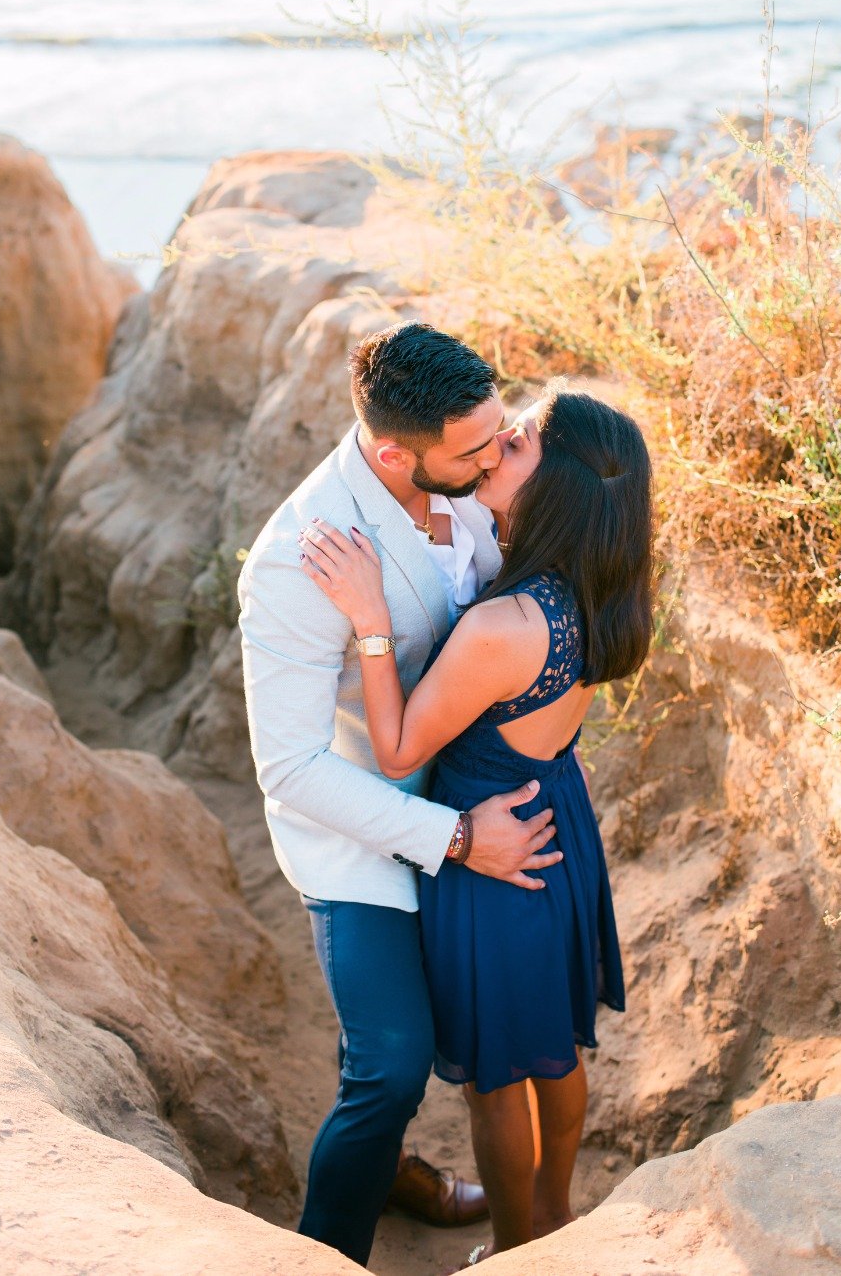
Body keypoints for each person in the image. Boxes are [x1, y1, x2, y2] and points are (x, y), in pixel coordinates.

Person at [299, 382, 654, 1265]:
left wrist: (371, 618)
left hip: (493, 851)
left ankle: (513, 1246)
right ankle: (555, 1218)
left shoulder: (503, 623)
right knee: (558, 1047)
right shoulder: (587, 592)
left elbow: (395, 747)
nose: (498, 449)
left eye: (521, 443)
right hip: (552, 816)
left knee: (500, 1079)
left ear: (558, 486)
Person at [237, 322, 565, 1269]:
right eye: (475, 450)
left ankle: (397, 1174)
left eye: (499, 435)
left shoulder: (462, 468)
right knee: (388, 1062)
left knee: (478, 1020)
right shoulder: (296, 562)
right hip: (362, 830)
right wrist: (457, 836)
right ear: (394, 453)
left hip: (465, 788)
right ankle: (328, 1250)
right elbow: (291, 767)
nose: (495, 456)